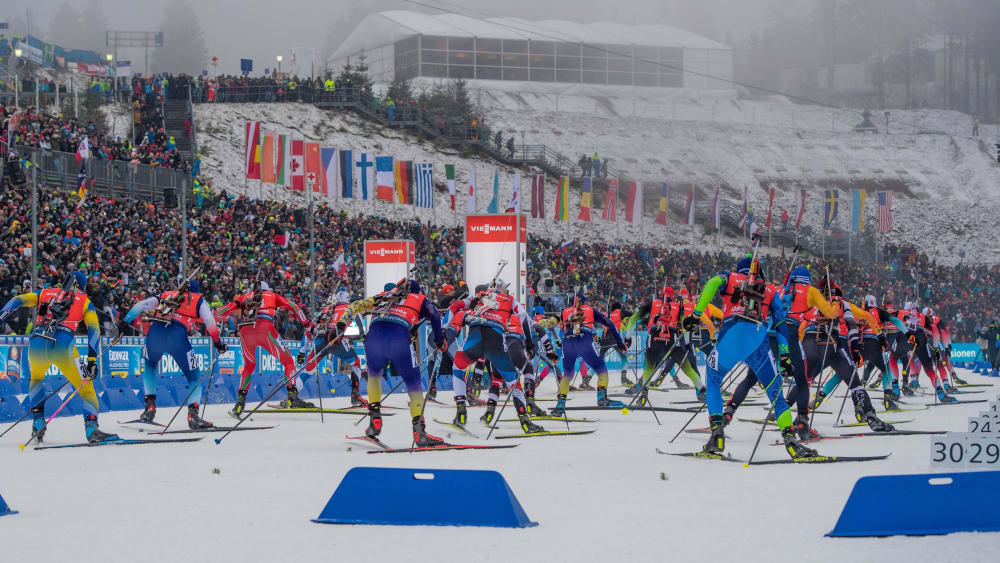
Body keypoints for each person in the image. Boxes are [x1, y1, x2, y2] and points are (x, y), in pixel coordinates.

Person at [682, 256, 817, 459]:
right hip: (758, 340)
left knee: (712, 379)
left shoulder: (731, 278)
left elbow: (711, 283)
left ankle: (717, 435)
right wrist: (785, 356)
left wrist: (696, 314)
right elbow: (780, 322)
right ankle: (791, 441)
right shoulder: (770, 289)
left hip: (731, 336)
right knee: (775, 391)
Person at [0, 272, 118, 443]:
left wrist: (2, 315)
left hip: (36, 344)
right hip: (63, 347)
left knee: (37, 379)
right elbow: (94, 331)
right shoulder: (85, 301)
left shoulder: (46, 292)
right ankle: (92, 429)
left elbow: (18, 300)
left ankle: (38, 422)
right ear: (83, 286)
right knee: (87, 388)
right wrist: (92, 359)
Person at [340, 279, 446, 446]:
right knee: (413, 382)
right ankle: (419, 432)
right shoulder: (418, 298)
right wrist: (439, 339)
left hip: (373, 336)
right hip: (398, 336)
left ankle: (374, 418)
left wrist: (340, 326)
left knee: (374, 376)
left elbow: (356, 305)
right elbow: (434, 314)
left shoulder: (385, 295)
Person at [122, 279, 226, 428]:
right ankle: (193, 415)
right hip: (177, 337)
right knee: (194, 376)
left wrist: (123, 324)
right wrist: (218, 343)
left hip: (155, 334)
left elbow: (141, 305)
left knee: (150, 366)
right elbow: (209, 320)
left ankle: (149, 408)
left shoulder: (166, 294)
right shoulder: (198, 300)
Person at [449, 279, 544, 434]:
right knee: (513, 383)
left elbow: (456, 308)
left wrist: (450, 327)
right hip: (497, 343)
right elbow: (524, 317)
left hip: (475, 340)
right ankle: (526, 422)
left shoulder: (479, 296)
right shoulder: (509, 300)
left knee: (458, 366)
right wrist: (529, 343)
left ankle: (461, 411)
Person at [215, 281, 313, 417]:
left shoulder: (245, 296)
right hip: (264, 329)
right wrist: (307, 324)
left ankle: (239, 403)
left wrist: (215, 318)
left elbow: (223, 310)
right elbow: (293, 306)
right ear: (267, 289)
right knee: (288, 362)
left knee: (248, 367)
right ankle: (292, 397)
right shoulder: (272, 295)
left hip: (245, 331)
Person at [624, 285, 707, 403]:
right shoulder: (677, 306)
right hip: (671, 339)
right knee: (687, 368)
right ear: (673, 296)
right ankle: (702, 391)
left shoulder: (652, 304)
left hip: (654, 337)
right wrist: (688, 344)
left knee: (649, 367)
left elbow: (632, 319)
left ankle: (643, 394)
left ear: (661, 294)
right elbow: (686, 326)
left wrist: (628, 338)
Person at [550, 293, 628, 415]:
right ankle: (601, 398)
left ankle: (560, 405)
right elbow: (610, 324)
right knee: (601, 369)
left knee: (567, 375)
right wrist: (620, 342)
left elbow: (551, 322)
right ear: (584, 302)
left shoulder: (564, 311)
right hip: (584, 341)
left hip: (568, 343)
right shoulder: (590, 310)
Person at [297, 288, 365, 406]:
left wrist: (302, 352)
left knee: (308, 370)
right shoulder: (350, 307)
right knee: (356, 362)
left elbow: (308, 330)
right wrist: (362, 335)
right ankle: (355, 395)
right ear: (348, 300)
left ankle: (291, 397)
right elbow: (359, 317)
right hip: (336, 340)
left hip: (321, 341)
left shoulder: (327, 309)